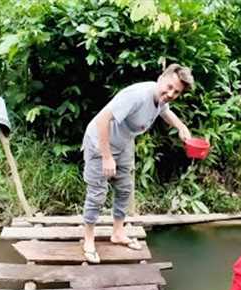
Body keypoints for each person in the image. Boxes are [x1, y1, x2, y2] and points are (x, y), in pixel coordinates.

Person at [81, 64, 194, 263]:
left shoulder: (160, 98)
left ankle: (117, 233)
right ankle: (88, 239)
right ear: (161, 78)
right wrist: (107, 156)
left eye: (176, 92)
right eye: (169, 87)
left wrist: (181, 126)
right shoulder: (137, 95)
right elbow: (102, 120)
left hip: (124, 143)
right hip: (100, 143)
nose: (170, 93)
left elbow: (165, 112)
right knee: (98, 194)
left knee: (125, 189)